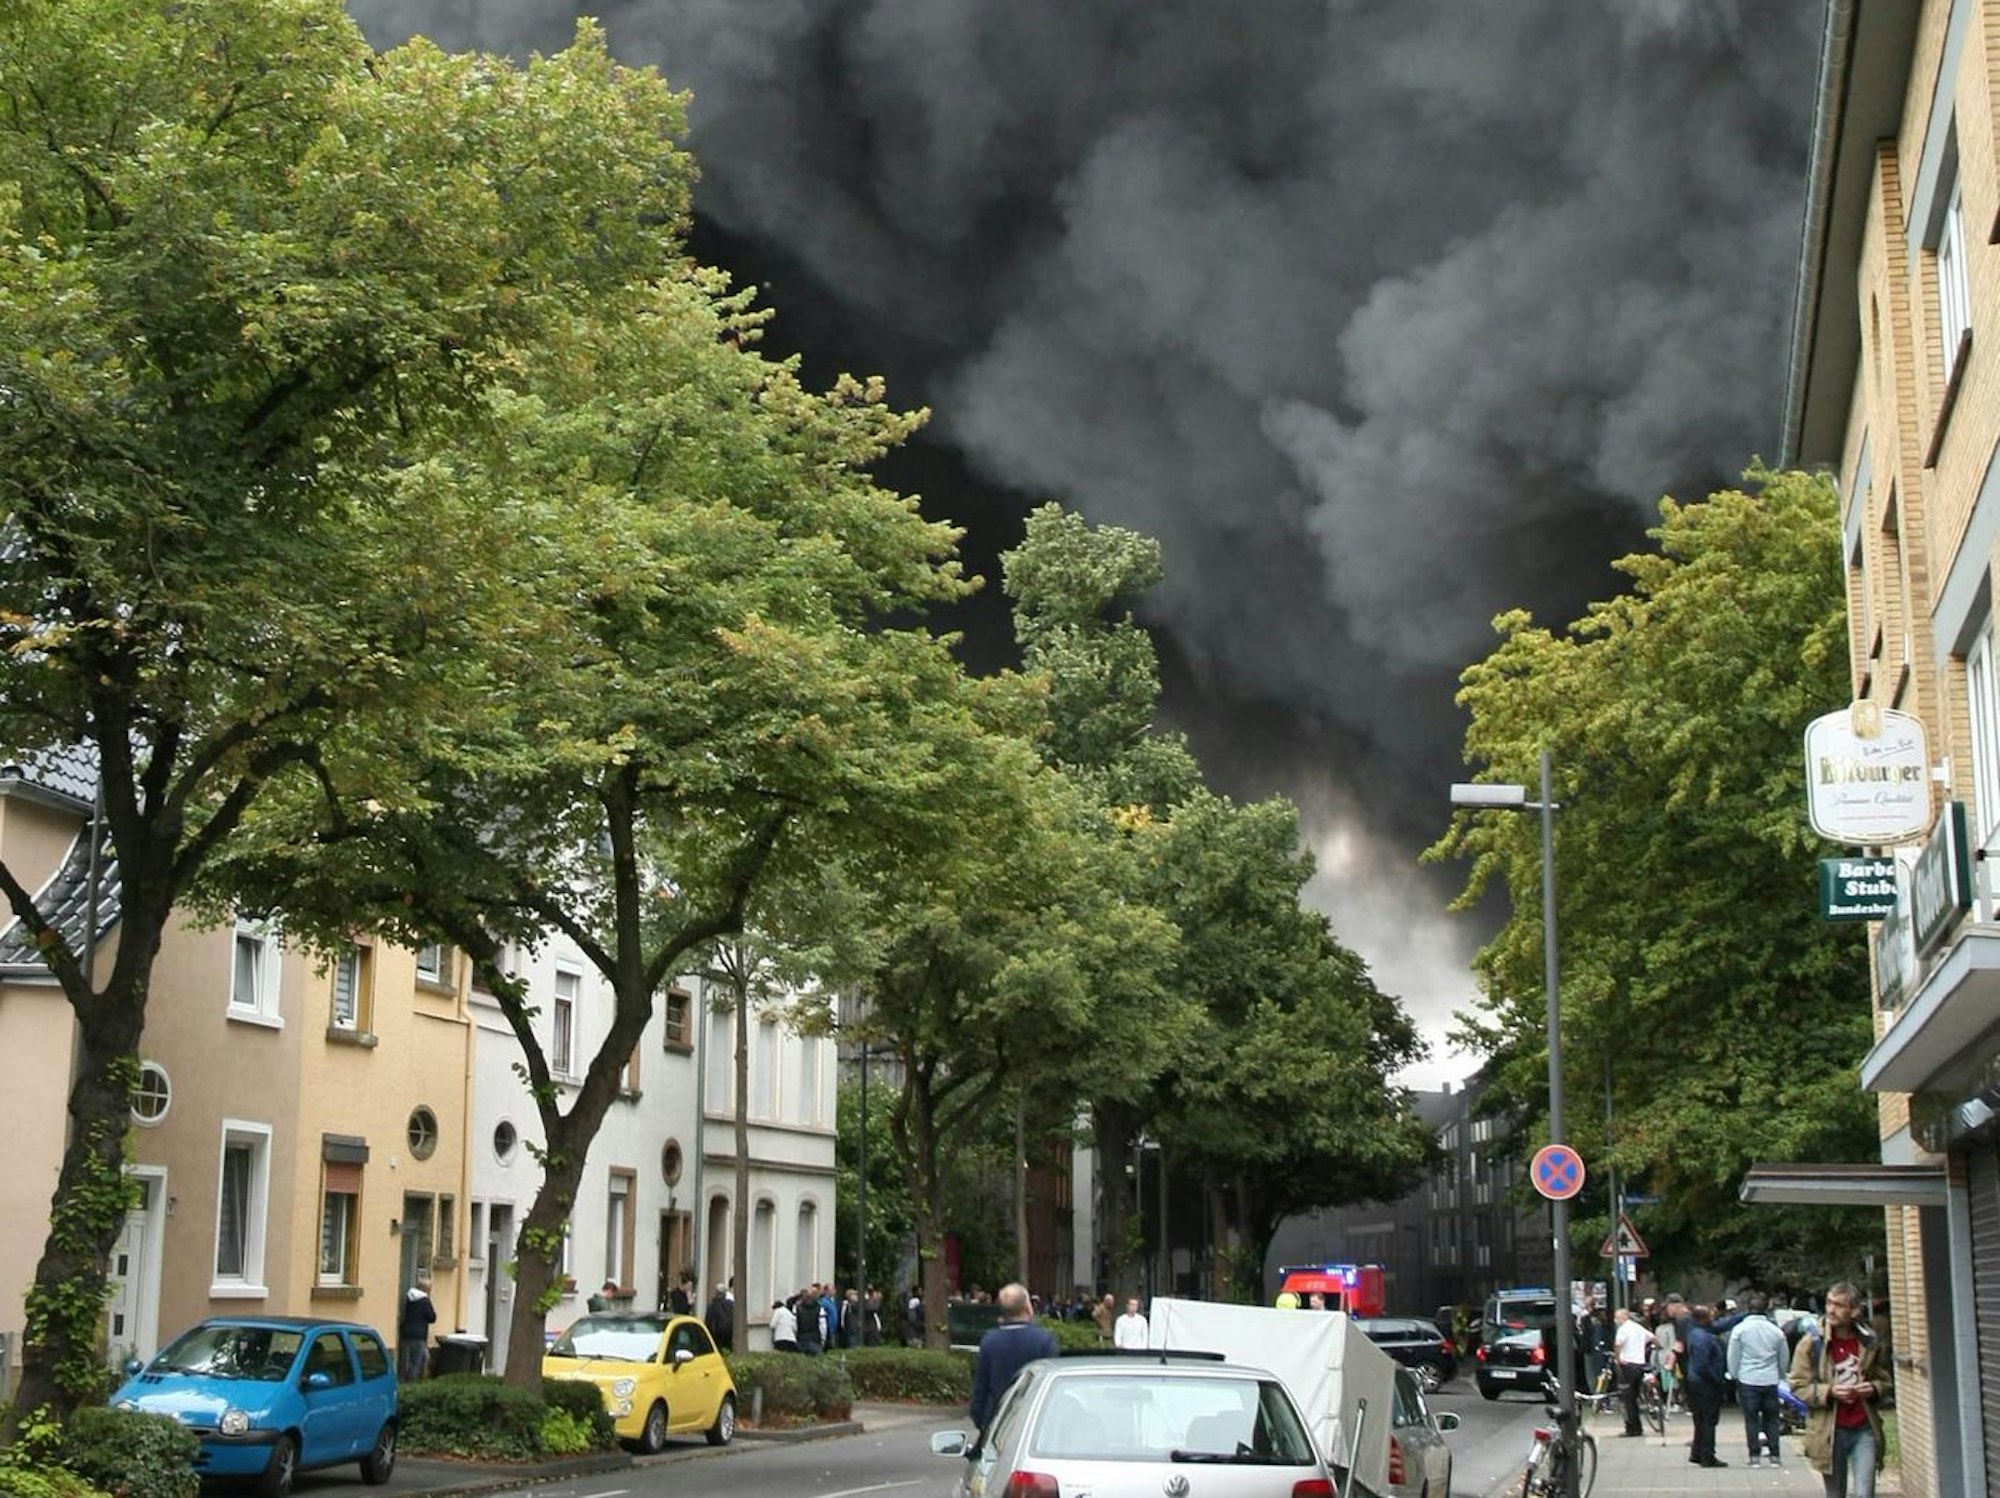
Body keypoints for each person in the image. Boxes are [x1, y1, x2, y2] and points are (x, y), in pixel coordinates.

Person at [1790, 1281, 1892, 1498]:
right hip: (1829, 1430)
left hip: (1863, 1427)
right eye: (1829, 1303)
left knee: (1866, 1492)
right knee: (1836, 1493)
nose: (1831, 1310)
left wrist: (1873, 1388)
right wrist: (1829, 1392)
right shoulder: (1812, 1343)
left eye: (1839, 1305)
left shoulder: (1868, 1341)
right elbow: (1798, 1386)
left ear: (1853, 1311)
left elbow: (1885, 1380)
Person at [968, 1282, 1060, 1439]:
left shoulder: (989, 1341)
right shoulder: (1044, 1340)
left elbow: (980, 1389)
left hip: (997, 1423)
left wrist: (982, 1423)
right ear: (1027, 1307)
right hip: (1034, 1422)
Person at [1728, 1292, 1791, 1468]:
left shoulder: (1739, 1330)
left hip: (1748, 1378)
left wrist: (1734, 1374)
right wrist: (1780, 1375)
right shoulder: (1776, 1331)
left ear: (1748, 1309)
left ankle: (1754, 1456)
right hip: (1770, 1379)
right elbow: (1783, 1357)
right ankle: (1775, 1455)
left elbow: (1733, 1355)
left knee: (1751, 1419)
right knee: (1772, 1418)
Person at [1683, 1304, 1728, 1468]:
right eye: (1710, 1316)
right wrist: (1717, 1379)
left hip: (1695, 1381)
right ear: (1704, 1319)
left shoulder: (1694, 1332)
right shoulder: (1704, 1338)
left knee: (1700, 1419)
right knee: (1709, 1420)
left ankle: (1697, 1451)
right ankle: (1707, 1455)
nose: (1713, 1318)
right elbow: (1703, 1365)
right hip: (1706, 1384)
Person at [1612, 1305, 1654, 1437]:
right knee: (1634, 1396)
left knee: (1627, 1399)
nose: (1615, 1320)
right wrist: (1654, 1348)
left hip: (1627, 1365)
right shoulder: (1638, 1327)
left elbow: (1618, 1344)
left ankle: (1632, 1428)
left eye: (1617, 1318)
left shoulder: (1623, 1329)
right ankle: (1638, 1426)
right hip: (1640, 1365)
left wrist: (1617, 1358)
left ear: (1624, 1317)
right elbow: (1652, 1337)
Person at [398, 1269, 437, 1382]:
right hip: (419, 1336)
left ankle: (411, 1380)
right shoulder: (425, 1301)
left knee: (417, 1359)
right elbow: (432, 1317)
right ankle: (411, 1384)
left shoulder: (410, 1299)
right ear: (426, 1289)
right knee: (415, 1363)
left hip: (406, 1333)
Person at [705, 1281, 735, 1352]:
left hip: (715, 1337)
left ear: (716, 1293)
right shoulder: (731, 1305)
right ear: (725, 1294)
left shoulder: (712, 1306)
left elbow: (708, 1322)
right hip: (729, 1336)